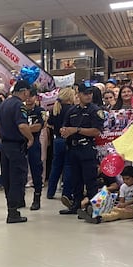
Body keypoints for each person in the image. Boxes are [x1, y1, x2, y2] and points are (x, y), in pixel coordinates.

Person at [59, 84, 105, 218]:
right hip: (73, 148)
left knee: (90, 181)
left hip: (87, 148)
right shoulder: (72, 110)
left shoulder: (95, 110)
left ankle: (94, 209)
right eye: (85, 93)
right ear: (78, 95)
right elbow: (65, 126)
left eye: (90, 93)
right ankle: (76, 205)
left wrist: (77, 130)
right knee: (76, 180)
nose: (88, 96)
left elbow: (97, 131)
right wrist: (64, 131)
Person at [0, 81, 34, 223]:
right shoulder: (19, 105)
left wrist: (2, 139)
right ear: (24, 91)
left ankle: (10, 208)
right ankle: (13, 211)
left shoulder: (4, 104)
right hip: (15, 147)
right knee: (17, 178)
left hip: (5, 145)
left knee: (7, 179)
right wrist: (30, 138)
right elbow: (22, 125)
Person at [47, 88, 75, 201]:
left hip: (57, 140)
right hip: (68, 140)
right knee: (68, 167)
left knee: (56, 167)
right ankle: (66, 193)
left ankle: (50, 191)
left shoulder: (55, 109)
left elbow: (50, 124)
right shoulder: (72, 109)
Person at [25, 88, 46, 210]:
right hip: (21, 143)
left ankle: (37, 197)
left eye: (31, 96)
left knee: (36, 170)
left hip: (34, 143)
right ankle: (19, 198)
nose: (28, 99)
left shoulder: (40, 111)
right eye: (27, 96)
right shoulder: (20, 110)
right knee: (20, 170)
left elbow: (38, 126)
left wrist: (24, 128)